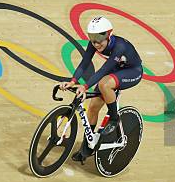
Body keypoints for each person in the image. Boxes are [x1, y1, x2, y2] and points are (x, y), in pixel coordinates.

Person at [60, 16, 143, 162]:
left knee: (104, 84)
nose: (96, 43)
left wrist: (85, 87)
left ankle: (114, 118)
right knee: (92, 108)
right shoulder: (94, 43)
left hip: (133, 71)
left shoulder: (119, 47)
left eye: (99, 38)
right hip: (117, 69)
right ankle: (86, 149)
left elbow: (103, 71)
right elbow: (84, 63)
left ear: (109, 34)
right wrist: (72, 81)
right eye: (92, 38)